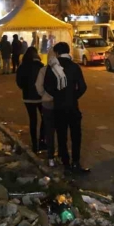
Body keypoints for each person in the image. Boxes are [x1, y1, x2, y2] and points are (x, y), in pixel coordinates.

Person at [44, 42, 89, 173]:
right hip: (73, 107)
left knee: (62, 136)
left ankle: (66, 164)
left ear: (57, 53)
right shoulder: (75, 67)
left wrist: (58, 95)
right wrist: (73, 96)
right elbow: (83, 87)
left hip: (58, 108)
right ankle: (76, 163)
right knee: (76, 136)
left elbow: (47, 86)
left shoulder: (52, 67)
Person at [17, 47, 47, 152]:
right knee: (45, 119)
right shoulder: (41, 67)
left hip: (27, 98)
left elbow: (19, 83)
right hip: (40, 98)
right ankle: (42, 141)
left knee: (33, 120)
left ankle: (34, 145)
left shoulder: (22, 67)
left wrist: (25, 88)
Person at [36, 49, 58, 166]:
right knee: (61, 129)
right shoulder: (61, 70)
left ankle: (51, 157)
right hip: (60, 104)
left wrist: (44, 95)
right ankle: (61, 155)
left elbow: (38, 86)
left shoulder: (43, 70)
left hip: (47, 104)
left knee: (49, 131)